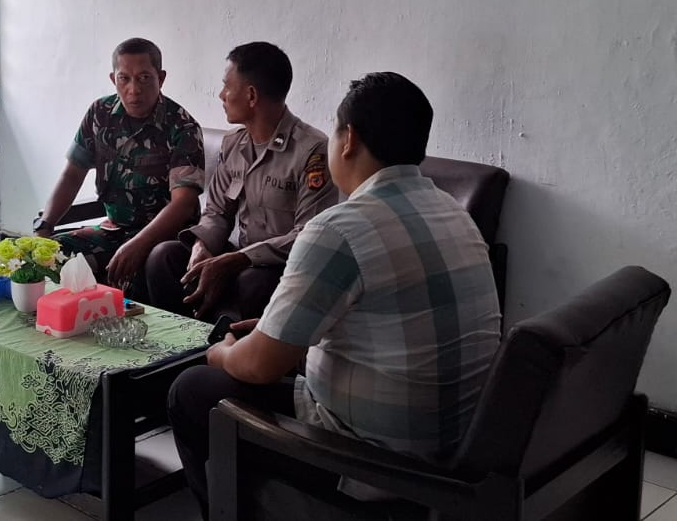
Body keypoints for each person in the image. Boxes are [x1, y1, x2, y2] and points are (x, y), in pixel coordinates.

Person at [166, 72, 502, 513]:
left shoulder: (340, 228)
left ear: (349, 140)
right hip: (456, 446)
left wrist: (223, 354)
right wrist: (279, 335)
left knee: (193, 389)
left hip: (376, 463)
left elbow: (258, 366)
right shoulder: (454, 213)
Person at [142, 42, 338, 320]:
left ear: (251, 95)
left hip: (278, 267)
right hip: (236, 256)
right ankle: (181, 341)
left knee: (252, 283)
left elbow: (308, 235)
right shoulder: (234, 144)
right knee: (163, 257)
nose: (221, 95)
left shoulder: (312, 151)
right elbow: (216, 212)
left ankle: (226, 343)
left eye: (226, 86)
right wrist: (202, 246)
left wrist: (241, 259)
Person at [32, 38, 206, 294]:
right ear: (114, 79)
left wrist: (137, 244)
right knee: (46, 258)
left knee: (132, 273)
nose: (134, 89)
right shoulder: (99, 114)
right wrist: (44, 227)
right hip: (113, 230)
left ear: (161, 78)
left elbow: (183, 204)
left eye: (144, 78)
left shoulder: (182, 127)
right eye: (124, 78)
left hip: (164, 237)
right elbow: (72, 175)